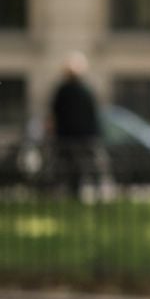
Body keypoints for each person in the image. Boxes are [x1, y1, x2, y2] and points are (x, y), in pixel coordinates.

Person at [49, 52, 101, 195]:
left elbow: (55, 113)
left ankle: (73, 191)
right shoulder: (85, 90)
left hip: (69, 136)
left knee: (70, 167)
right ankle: (88, 191)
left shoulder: (64, 90)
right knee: (84, 167)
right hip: (83, 136)